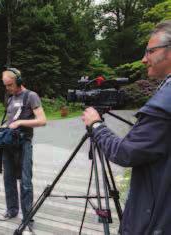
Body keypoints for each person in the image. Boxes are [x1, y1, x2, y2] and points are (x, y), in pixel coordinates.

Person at [82, 20, 171, 234]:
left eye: (150, 51)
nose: (143, 59)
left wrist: (96, 125)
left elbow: (125, 153)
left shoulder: (165, 101)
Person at [0, 68, 46, 229]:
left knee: (25, 182)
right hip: (9, 145)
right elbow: (9, 121)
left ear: (18, 81)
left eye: (10, 85)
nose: (8, 88)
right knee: (8, 180)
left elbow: (42, 120)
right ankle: (12, 210)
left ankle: (27, 218)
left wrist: (20, 123)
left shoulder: (31, 96)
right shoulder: (10, 98)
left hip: (24, 144)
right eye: (5, 85)